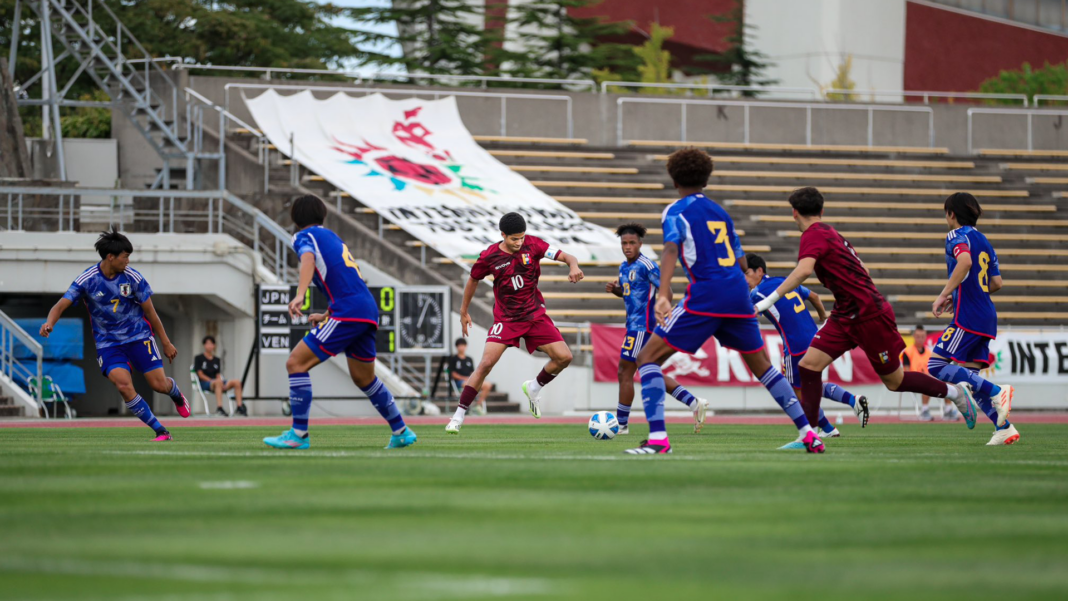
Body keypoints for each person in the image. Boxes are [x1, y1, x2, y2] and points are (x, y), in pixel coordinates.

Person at [754, 187, 977, 453]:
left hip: (869, 315)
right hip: (845, 313)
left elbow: (804, 270)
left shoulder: (813, 235)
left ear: (794, 213)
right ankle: (810, 435)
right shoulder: (831, 232)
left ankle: (956, 394)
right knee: (808, 366)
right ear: (821, 210)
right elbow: (864, 269)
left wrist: (767, 301)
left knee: (895, 381)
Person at [625, 148, 816, 455]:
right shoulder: (721, 212)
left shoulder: (675, 211)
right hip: (738, 294)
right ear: (707, 178)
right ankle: (808, 433)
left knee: (646, 359)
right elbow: (742, 263)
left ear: (674, 179)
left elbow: (671, 250)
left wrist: (662, 295)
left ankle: (659, 440)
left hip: (707, 295)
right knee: (765, 369)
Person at [263, 194, 416, 450]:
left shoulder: (303, 237)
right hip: (365, 309)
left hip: (348, 311)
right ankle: (401, 430)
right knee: (364, 378)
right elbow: (346, 280)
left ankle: (298, 434)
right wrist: (326, 314)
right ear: (322, 215)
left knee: (295, 362)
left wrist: (300, 294)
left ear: (296, 218)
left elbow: (308, 259)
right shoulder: (332, 237)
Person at [40, 229, 190, 441]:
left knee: (158, 385)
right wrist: (49, 323)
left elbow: (151, 313)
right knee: (123, 385)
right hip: (108, 344)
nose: (128, 261)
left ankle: (174, 392)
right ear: (110, 257)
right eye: (125, 256)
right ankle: (161, 430)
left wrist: (165, 342)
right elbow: (60, 304)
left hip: (139, 337)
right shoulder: (88, 279)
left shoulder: (133, 278)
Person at [446, 212, 584, 434]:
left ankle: (534, 387)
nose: (519, 242)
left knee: (565, 357)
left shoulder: (534, 245)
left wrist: (573, 266)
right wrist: (464, 312)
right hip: (507, 319)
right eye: (514, 239)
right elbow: (473, 279)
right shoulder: (489, 256)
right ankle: (458, 416)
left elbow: (568, 257)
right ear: (503, 235)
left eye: (521, 237)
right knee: (485, 364)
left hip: (535, 316)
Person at [744, 253, 868, 447]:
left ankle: (811, 433)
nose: (745, 278)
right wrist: (822, 317)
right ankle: (838, 417)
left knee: (797, 391)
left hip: (795, 344)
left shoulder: (757, 293)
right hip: (814, 337)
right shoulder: (785, 282)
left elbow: (743, 311)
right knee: (811, 383)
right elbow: (815, 297)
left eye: (747, 273)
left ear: (760, 271)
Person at [928, 192, 1016, 445]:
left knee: (935, 366)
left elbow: (964, 261)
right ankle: (1005, 428)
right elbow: (996, 282)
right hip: (986, 315)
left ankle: (998, 391)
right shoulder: (984, 240)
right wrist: (959, 295)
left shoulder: (956, 235)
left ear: (951, 213)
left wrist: (944, 294)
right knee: (971, 380)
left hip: (968, 317)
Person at [606, 222, 709, 435]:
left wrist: (661, 312)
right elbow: (633, 294)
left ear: (640, 244)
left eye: (632, 243)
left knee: (625, 371)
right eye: (624, 243)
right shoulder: (624, 267)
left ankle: (622, 424)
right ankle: (693, 402)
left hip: (643, 327)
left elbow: (667, 291)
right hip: (634, 326)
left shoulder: (647, 265)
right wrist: (617, 291)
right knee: (648, 371)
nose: (627, 247)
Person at [902, 325, 958, 422]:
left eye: (922, 336)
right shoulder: (907, 352)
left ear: (925, 337)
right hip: (914, 380)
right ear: (914, 337)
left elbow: (935, 369)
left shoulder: (929, 352)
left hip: (928, 378)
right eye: (918, 336)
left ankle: (948, 410)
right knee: (925, 381)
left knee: (946, 380)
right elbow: (906, 372)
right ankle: (924, 410)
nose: (920, 339)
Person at [194, 335, 247, 417]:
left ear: (214, 345)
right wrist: (213, 381)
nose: (209, 346)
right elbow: (200, 375)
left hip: (217, 382)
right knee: (218, 382)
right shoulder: (199, 358)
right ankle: (220, 408)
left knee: (237, 382)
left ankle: (239, 407)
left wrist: (222, 383)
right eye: (207, 344)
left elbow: (218, 374)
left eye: (211, 344)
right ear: (204, 345)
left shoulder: (216, 360)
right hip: (205, 383)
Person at [447, 338, 492, 415]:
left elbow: (473, 372)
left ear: (466, 346)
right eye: (460, 346)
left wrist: (474, 378)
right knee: (467, 384)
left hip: (471, 380)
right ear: (457, 347)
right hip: (460, 382)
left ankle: (478, 405)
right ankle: (465, 406)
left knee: (487, 385)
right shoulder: (453, 359)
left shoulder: (469, 359)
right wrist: (465, 378)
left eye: (463, 345)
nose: (461, 347)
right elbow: (453, 374)